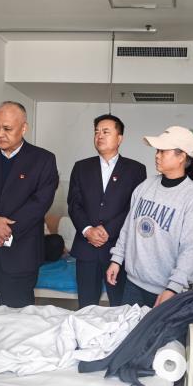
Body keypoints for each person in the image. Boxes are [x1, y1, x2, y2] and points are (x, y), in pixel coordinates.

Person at [0, 101, 59, 307]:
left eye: (7, 128)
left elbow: (40, 203)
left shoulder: (43, 160)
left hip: (20, 254)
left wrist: (4, 230)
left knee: (18, 316)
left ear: (23, 128)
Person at [106, 126, 193, 308]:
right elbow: (128, 227)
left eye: (163, 151)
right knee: (130, 326)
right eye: (157, 151)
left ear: (181, 156)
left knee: (160, 329)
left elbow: (191, 250)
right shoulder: (145, 186)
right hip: (133, 283)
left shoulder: (192, 198)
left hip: (166, 290)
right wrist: (117, 259)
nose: (157, 155)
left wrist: (173, 287)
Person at [68, 114, 146, 307]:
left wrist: (108, 230)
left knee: (120, 307)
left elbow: (134, 208)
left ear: (119, 138)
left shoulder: (136, 169)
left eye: (105, 132)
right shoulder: (81, 167)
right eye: (96, 132)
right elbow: (74, 204)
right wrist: (88, 230)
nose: (99, 136)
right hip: (86, 249)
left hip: (118, 250)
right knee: (86, 307)